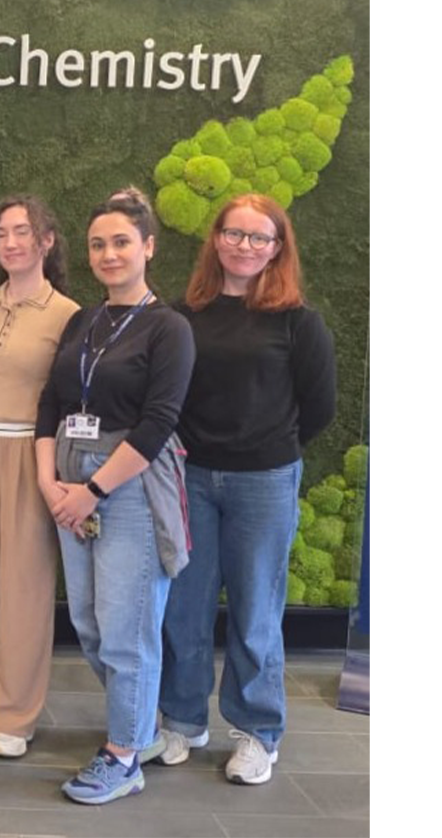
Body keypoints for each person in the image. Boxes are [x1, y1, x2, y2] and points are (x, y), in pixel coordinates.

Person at [157, 195, 336, 785]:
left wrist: (265, 446)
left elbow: (319, 408)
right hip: (193, 476)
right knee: (184, 607)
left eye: (260, 239)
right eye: (234, 234)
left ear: (277, 250)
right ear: (215, 239)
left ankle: (258, 732)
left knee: (257, 610)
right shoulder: (185, 314)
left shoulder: (297, 322)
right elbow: (170, 397)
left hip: (264, 480)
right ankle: (182, 721)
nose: (244, 246)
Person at [35, 192, 195, 805]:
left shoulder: (169, 328)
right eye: (99, 244)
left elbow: (158, 423)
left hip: (127, 485)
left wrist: (94, 489)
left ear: (148, 247)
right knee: (91, 625)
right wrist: (52, 481)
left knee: (128, 631)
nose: (109, 253)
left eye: (122, 242)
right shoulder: (84, 321)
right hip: (70, 476)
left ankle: (123, 756)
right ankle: (143, 724)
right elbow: (52, 402)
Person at [0, 195, 80, 757]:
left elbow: (67, 399)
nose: (11, 243)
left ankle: (14, 714)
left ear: (47, 241)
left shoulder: (68, 314)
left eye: (23, 232)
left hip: (32, 452)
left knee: (24, 586)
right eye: (2, 233)